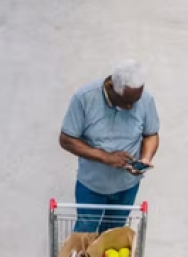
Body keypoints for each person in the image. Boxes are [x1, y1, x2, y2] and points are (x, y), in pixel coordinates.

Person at [59, 60, 160, 232]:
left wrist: (145, 158)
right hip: (92, 186)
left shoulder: (145, 99)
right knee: (85, 231)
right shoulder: (84, 98)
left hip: (127, 186)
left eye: (135, 101)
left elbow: (151, 134)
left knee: (113, 234)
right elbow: (66, 139)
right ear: (112, 87)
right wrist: (105, 157)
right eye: (126, 101)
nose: (131, 107)